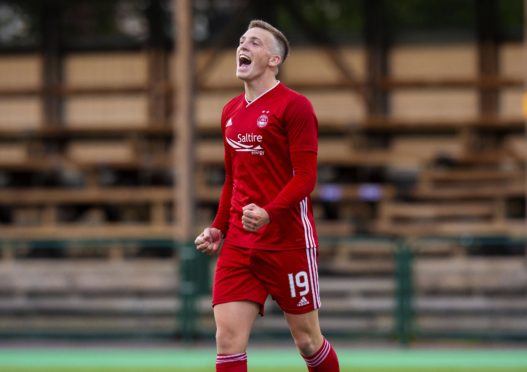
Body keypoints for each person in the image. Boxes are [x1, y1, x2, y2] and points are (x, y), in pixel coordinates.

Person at [194, 19, 340, 372]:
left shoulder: (295, 106)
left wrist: (270, 213)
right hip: (241, 243)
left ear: (275, 60)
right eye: (242, 40)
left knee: (306, 341)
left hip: (287, 239)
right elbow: (233, 178)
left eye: (255, 43)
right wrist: (218, 228)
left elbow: (306, 178)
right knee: (227, 339)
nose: (243, 46)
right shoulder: (230, 111)